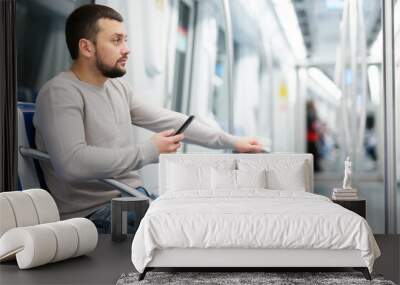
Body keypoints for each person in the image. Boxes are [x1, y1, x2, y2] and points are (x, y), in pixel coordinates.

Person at [33, 4, 262, 233]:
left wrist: (231, 141)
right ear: (86, 47)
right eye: (116, 41)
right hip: (95, 213)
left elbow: (172, 121)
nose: (126, 49)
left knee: (213, 211)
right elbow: (72, 163)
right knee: (199, 227)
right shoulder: (60, 92)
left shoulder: (118, 88)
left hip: (132, 199)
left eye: (125, 40)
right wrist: (148, 152)